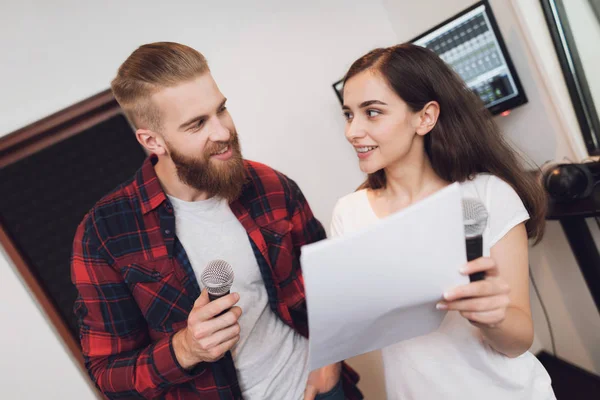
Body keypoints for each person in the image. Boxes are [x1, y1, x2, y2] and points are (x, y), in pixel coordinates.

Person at [71, 42, 360, 400]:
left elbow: (329, 285)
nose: (222, 132)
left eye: (221, 109)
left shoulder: (269, 185)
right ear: (151, 140)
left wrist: (327, 368)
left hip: (319, 388)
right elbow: (107, 375)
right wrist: (185, 350)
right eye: (197, 124)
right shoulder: (104, 234)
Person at [331, 43, 555, 399]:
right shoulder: (349, 214)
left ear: (425, 117)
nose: (352, 131)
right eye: (348, 114)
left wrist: (490, 316)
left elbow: (517, 342)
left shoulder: (487, 195)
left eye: (372, 112)